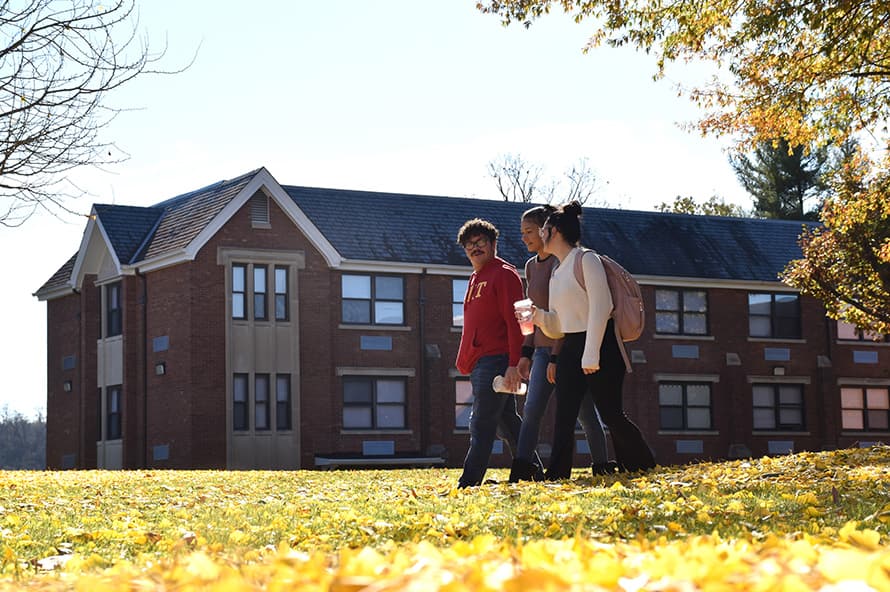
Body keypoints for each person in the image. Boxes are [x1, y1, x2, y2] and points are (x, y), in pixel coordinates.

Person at [526, 201, 656, 477]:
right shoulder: (557, 271)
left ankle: (641, 463)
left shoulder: (587, 260)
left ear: (556, 231)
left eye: (544, 230)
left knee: (610, 413)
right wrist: (538, 317)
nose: (539, 236)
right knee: (564, 415)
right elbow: (560, 327)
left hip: (602, 344)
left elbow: (602, 306)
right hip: (572, 346)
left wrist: (591, 352)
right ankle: (558, 473)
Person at [509, 205, 614, 483]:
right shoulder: (531, 267)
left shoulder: (564, 262)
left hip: (564, 349)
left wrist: (556, 357)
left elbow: (569, 316)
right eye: (523, 233)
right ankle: (521, 470)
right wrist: (526, 353)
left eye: (530, 231)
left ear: (547, 230)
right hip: (541, 348)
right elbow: (533, 312)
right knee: (532, 410)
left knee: (585, 415)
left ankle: (602, 464)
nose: (525, 238)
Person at [454, 218, 542, 488]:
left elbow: (516, 322)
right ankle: (533, 473)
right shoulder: (475, 278)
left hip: (497, 360)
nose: (475, 248)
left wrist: (515, 363)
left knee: (480, 423)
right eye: (470, 245)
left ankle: (469, 483)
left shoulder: (503, 274)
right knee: (506, 423)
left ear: (493, 244)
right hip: (481, 360)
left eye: (480, 242)